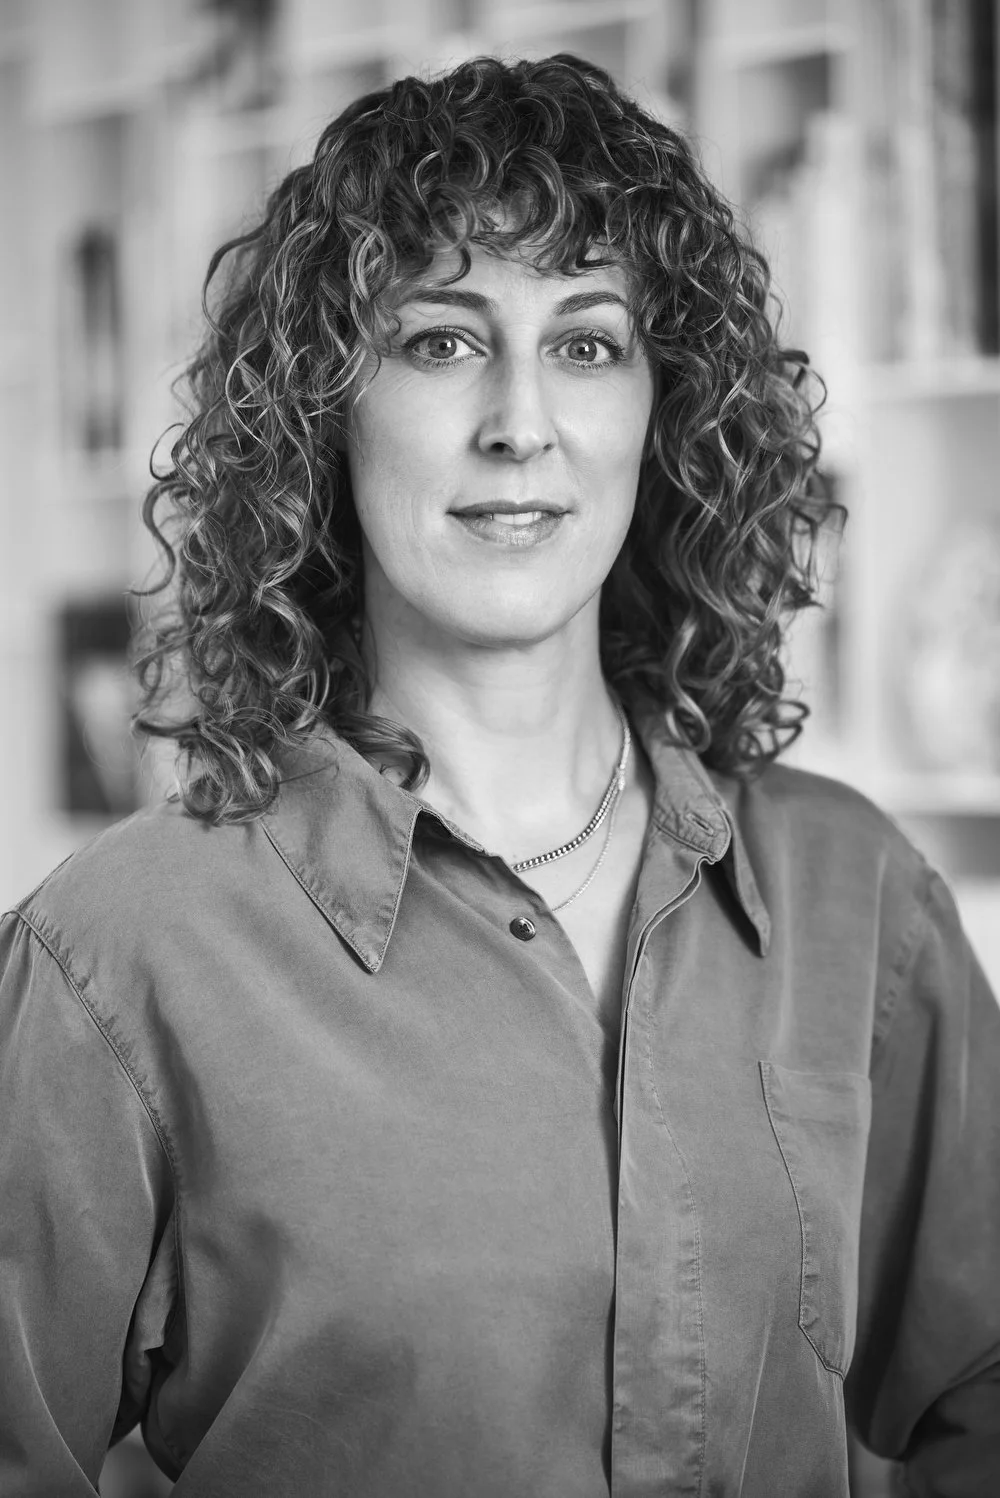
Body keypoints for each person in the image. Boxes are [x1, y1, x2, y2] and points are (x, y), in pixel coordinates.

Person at [1, 52, 998, 1498]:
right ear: (324, 413)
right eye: (443, 340)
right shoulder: (117, 956)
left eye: (587, 342)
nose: (520, 420)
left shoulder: (859, 900)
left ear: (669, 414)